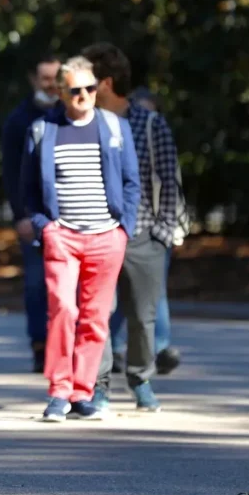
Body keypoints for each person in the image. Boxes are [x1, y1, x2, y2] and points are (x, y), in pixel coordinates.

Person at [20, 55, 140, 422]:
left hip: (107, 236)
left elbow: (132, 182)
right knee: (63, 311)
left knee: (96, 318)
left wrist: (124, 230)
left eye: (90, 88)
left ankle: (83, 392)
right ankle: (58, 391)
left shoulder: (115, 127)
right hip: (63, 236)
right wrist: (46, 226)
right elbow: (28, 190)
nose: (84, 95)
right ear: (60, 91)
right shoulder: (43, 129)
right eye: (75, 90)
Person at [83, 44, 181, 413]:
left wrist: (163, 231)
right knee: (97, 312)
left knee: (143, 315)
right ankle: (99, 387)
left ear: (106, 83)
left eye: (88, 82)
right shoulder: (82, 124)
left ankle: (141, 379)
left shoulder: (150, 123)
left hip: (144, 233)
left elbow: (169, 180)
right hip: (97, 231)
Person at [108, 88, 181, 377]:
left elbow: (170, 180)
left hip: (151, 230)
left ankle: (159, 349)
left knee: (152, 292)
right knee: (116, 294)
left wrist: (164, 228)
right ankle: (112, 346)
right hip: (118, 228)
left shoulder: (156, 134)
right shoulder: (118, 134)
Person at [1, 54, 62, 372]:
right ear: (34, 80)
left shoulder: (72, 113)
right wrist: (20, 215)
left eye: (56, 78)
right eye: (45, 78)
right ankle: (40, 346)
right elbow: (11, 173)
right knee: (37, 284)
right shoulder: (20, 119)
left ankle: (69, 349)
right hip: (33, 216)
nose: (51, 84)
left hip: (69, 218)